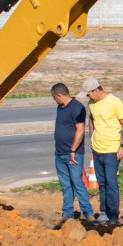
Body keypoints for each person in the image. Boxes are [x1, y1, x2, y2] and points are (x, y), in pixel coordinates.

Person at [79, 77, 123, 226]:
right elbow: (92, 119)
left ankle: (114, 215)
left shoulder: (115, 102)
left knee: (111, 182)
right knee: (102, 183)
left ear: (95, 90)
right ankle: (104, 212)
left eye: (88, 94)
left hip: (112, 150)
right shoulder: (92, 104)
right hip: (97, 149)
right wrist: (91, 136)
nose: (88, 97)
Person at [50, 82, 94, 223]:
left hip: (73, 154)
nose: (54, 100)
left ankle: (88, 213)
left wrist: (73, 150)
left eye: (54, 97)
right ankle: (68, 212)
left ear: (59, 95)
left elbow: (80, 130)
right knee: (65, 184)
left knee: (77, 183)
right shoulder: (60, 107)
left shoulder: (77, 107)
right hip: (60, 153)